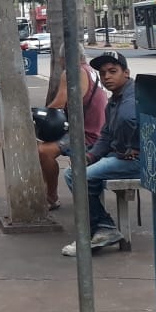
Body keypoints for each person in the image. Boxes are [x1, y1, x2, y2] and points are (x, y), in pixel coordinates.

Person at [60, 51, 140, 257]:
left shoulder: (131, 97)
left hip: (138, 161)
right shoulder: (114, 100)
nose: (107, 77)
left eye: (113, 71)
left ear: (126, 72)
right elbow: (105, 135)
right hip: (122, 156)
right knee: (76, 171)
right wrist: (91, 156)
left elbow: (128, 119)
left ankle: (104, 227)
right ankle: (100, 227)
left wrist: (122, 149)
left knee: (77, 176)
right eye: (103, 73)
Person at [36, 45, 107, 210]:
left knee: (43, 151)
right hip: (100, 133)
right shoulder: (90, 71)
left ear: (63, 59)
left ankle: (51, 197)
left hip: (87, 136)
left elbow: (60, 103)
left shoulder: (73, 72)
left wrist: (35, 115)